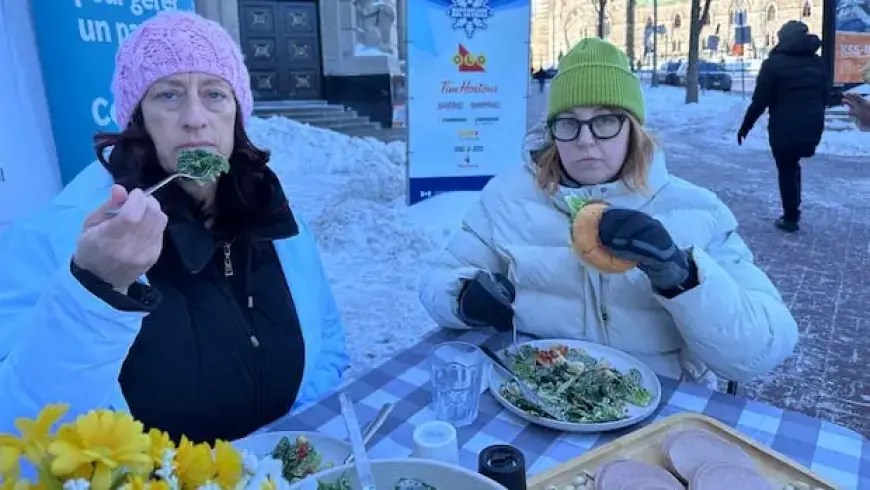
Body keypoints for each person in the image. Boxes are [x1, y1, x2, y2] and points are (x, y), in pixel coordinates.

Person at [0, 11, 349, 443]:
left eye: (215, 94)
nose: (195, 118)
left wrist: (289, 443)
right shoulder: (64, 235)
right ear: (138, 119)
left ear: (237, 114)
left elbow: (328, 338)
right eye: (168, 95)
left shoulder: (268, 209)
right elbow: (17, 429)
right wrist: (94, 288)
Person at [419, 38, 798, 388]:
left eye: (605, 121)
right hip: (543, 394)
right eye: (569, 123)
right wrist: (463, 295)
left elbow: (762, 350)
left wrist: (684, 278)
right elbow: (438, 279)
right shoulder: (507, 198)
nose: (585, 140)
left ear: (632, 128)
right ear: (553, 132)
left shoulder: (696, 209)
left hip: (658, 410)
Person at [737, 20, 827, 233]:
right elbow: (824, 95)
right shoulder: (819, 62)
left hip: (784, 126)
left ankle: (790, 217)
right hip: (813, 124)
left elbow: (760, 101)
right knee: (793, 165)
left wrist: (745, 127)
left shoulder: (773, 64)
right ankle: (794, 209)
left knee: (786, 167)